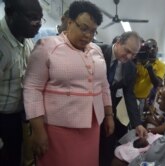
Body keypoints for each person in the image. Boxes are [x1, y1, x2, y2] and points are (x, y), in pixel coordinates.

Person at [23, 1, 114, 166]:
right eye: (83, 28)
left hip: (92, 126)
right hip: (58, 128)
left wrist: (109, 115)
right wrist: (38, 130)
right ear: (69, 22)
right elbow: (32, 88)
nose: (88, 35)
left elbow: (104, 85)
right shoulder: (47, 47)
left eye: (93, 31)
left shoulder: (96, 50)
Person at [0, 0, 43, 165]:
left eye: (40, 19)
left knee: (15, 156)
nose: (38, 24)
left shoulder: (26, 39)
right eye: (32, 18)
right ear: (10, 13)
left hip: (16, 115)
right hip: (3, 117)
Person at [99, 32, 148, 166]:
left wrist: (137, 123)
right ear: (119, 42)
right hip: (89, 107)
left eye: (134, 54)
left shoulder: (131, 67)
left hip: (110, 111)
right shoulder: (98, 52)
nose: (129, 56)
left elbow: (129, 95)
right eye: (127, 51)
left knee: (107, 149)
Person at [134, 39, 165, 118]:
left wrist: (148, 67)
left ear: (157, 49)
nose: (152, 49)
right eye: (149, 48)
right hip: (130, 97)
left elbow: (157, 83)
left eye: (154, 47)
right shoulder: (138, 61)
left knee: (138, 122)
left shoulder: (161, 66)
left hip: (144, 100)